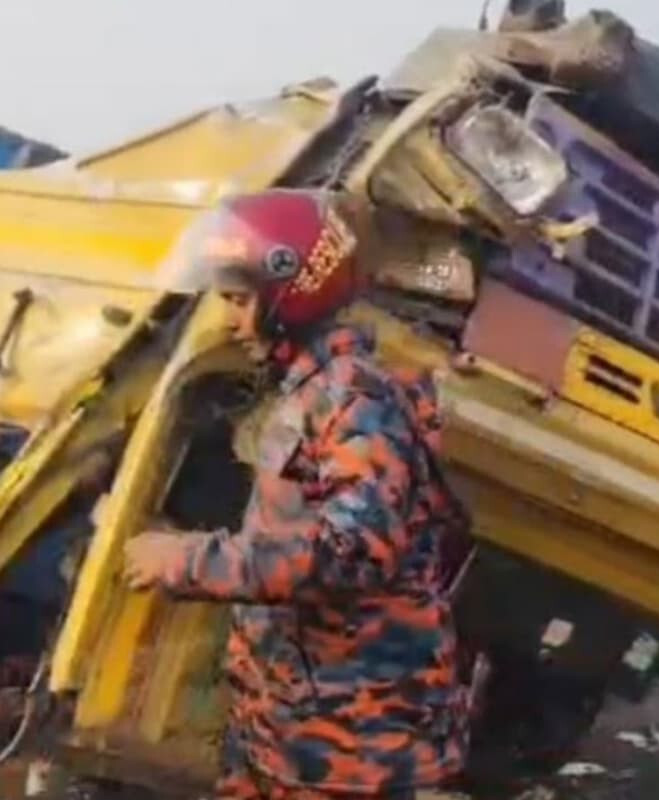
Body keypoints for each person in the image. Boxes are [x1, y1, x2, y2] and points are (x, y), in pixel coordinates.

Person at [122, 189, 469, 800]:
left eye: (237, 299)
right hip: (289, 726)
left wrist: (184, 559)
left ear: (291, 293)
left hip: (352, 745)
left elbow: (353, 550)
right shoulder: (308, 387)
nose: (227, 318)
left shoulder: (356, 399)